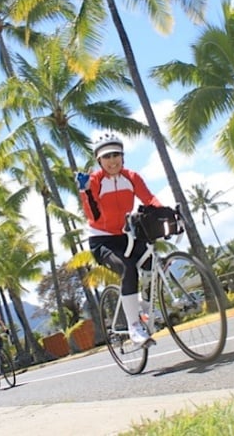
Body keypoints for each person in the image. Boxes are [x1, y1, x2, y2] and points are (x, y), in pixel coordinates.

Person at [76, 133, 162, 346]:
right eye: (107, 156)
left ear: (123, 157)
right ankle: (134, 328)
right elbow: (92, 215)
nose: (112, 160)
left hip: (127, 235)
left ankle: (144, 305)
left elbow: (149, 199)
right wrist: (85, 191)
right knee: (128, 269)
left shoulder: (131, 177)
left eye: (116, 154)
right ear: (99, 161)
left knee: (154, 261)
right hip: (103, 241)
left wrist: (165, 212)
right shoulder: (94, 181)